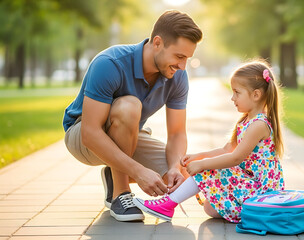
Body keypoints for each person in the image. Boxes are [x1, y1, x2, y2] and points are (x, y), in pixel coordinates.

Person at [62, 10, 203, 222]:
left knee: (177, 179)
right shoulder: (110, 63)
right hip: (82, 135)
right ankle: (121, 193)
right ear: (157, 43)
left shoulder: (178, 76)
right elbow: (90, 134)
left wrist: (174, 166)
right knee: (129, 106)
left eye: (187, 58)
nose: (182, 66)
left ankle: (115, 172)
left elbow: (176, 134)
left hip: (129, 135)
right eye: (179, 56)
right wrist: (138, 172)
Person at [133, 60, 285, 223]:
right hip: (248, 183)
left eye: (237, 92)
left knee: (207, 170)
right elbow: (227, 149)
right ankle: (172, 204)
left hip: (259, 189)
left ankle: (167, 205)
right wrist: (198, 156)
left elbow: (235, 158)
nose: (232, 98)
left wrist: (203, 164)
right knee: (210, 207)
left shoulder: (259, 125)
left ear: (256, 95)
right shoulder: (246, 120)